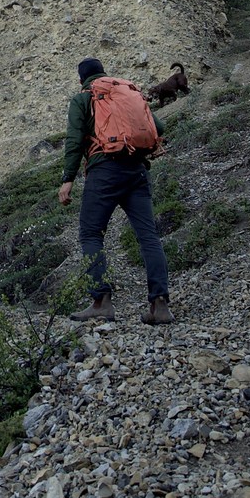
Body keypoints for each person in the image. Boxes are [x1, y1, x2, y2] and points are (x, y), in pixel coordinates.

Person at [58, 57, 173, 324]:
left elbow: (74, 140)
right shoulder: (124, 92)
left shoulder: (83, 98)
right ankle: (160, 305)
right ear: (103, 73)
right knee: (149, 237)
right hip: (136, 170)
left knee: (91, 234)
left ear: (81, 79)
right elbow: (159, 127)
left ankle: (101, 302)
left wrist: (68, 179)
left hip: (104, 173)